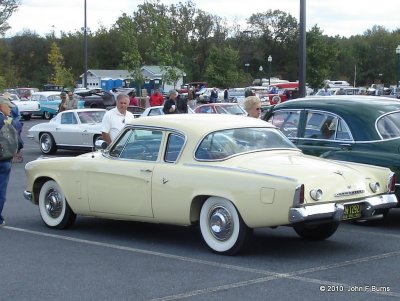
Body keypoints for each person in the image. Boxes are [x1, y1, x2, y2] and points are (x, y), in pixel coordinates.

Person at [0, 96, 19, 227]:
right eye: (9, 106)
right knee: (1, 190)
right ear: (1, 106)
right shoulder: (6, 120)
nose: (11, 109)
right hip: (4, 158)